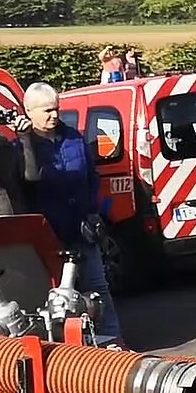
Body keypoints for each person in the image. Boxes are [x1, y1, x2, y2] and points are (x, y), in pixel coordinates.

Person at [21, 81, 126, 347]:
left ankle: (114, 341)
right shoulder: (21, 147)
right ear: (28, 111)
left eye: (55, 109)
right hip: (47, 233)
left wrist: (95, 211)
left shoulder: (73, 137)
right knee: (54, 295)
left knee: (98, 287)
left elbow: (92, 176)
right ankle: (61, 349)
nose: (53, 115)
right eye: (46, 111)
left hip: (81, 227)